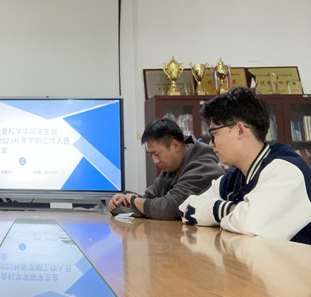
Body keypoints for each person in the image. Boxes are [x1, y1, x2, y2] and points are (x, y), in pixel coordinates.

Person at [179, 87, 311, 244]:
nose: (211, 144)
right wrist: (231, 209)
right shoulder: (235, 176)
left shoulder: (287, 170)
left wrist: (215, 210)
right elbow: (187, 208)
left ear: (240, 130)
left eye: (214, 134)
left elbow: (249, 223)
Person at [108, 117, 224, 220]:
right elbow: (150, 198)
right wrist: (124, 200)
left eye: (157, 154)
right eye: (151, 155)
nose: (155, 161)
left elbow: (169, 209)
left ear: (175, 146)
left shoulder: (203, 168)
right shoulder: (172, 167)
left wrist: (133, 199)